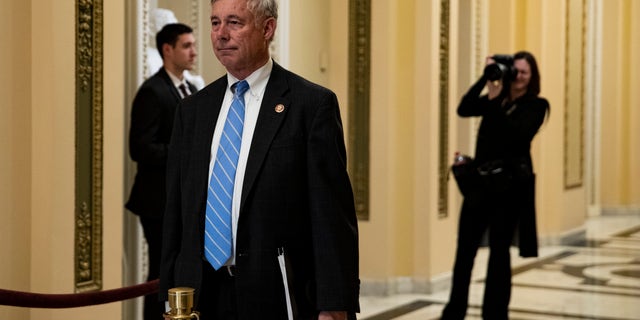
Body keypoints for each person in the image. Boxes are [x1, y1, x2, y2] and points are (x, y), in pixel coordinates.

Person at [159, 1, 360, 320]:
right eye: (214, 23)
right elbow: (176, 214)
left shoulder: (310, 106)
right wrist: (170, 295)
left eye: (234, 23)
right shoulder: (193, 111)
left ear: (268, 29)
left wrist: (334, 304)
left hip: (277, 290)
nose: (221, 34)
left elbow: (331, 218)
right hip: (202, 292)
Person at [441, 51, 550, 320]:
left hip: (508, 189)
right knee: (464, 250)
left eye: (525, 72)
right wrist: (486, 78)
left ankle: (495, 314)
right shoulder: (496, 97)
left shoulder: (536, 106)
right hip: (480, 186)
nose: (519, 77)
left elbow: (517, 136)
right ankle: (454, 311)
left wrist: (493, 101)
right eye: (516, 71)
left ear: (532, 77)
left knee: (499, 254)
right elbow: (463, 108)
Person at [126, 23, 198, 320]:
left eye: (193, 44)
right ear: (167, 50)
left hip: (182, 199)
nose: (194, 51)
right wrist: (184, 152)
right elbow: (140, 148)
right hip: (157, 202)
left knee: (181, 270)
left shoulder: (191, 88)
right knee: (160, 271)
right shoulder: (152, 91)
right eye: (186, 46)